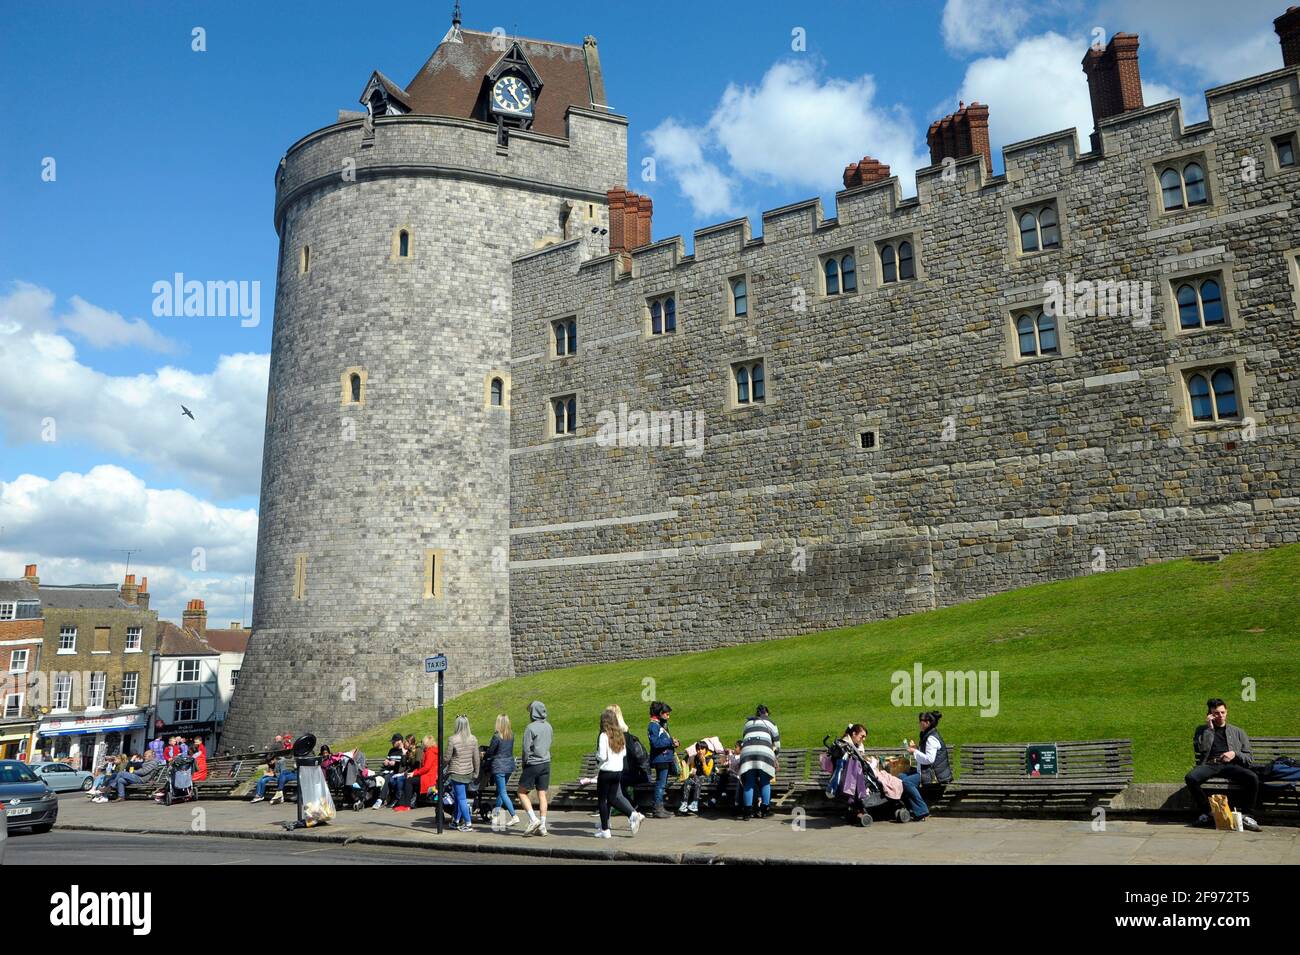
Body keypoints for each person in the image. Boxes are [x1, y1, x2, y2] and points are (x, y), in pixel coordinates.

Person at [1185, 698, 1261, 831]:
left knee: (1252, 778)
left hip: (1231, 765)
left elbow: (1249, 758)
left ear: (1226, 712)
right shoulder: (1202, 730)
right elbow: (1201, 749)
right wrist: (1209, 729)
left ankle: (1248, 815)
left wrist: (1234, 753)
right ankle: (1208, 813)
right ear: (1210, 714)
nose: (1220, 716)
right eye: (1216, 713)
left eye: (1222, 712)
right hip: (1211, 764)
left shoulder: (1238, 732)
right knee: (1191, 778)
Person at [595, 706, 644, 838]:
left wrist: (597, 757)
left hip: (606, 771)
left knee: (602, 800)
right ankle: (633, 814)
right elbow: (623, 753)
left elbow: (602, 756)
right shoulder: (619, 734)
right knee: (612, 798)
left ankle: (605, 830)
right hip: (617, 771)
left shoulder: (603, 735)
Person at [900, 711, 953, 823]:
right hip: (925, 770)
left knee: (907, 782)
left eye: (921, 721)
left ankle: (922, 811)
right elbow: (925, 755)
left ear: (927, 723)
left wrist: (914, 751)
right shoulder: (927, 735)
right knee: (901, 777)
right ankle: (910, 808)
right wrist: (916, 749)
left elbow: (929, 759)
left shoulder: (931, 739)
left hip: (934, 774)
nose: (919, 723)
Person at [738, 704, 780, 820]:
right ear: (767, 713)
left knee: (749, 782)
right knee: (765, 781)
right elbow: (777, 745)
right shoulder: (771, 723)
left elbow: (744, 739)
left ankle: (747, 813)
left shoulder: (747, 723)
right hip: (764, 754)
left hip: (747, 754)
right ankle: (764, 810)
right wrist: (775, 757)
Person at [518, 700, 553, 836]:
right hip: (546, 762)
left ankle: (533, 819)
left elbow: (526, 749)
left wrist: (524, 763)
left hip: (533, 763)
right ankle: (542, 826)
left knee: (521, 792)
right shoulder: (549, 726)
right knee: (542, 794)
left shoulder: (530, 728)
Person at [483, 714, 519, 827]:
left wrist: (484, 754)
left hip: (499, 766)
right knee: (501, 791)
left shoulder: (497, 736)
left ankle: (514, 815)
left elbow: (490, 752)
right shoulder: (511, 735)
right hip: (509, 765)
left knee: (502, 792)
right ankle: (496, 814)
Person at [446, 716, 480, 831]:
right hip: (468, 772)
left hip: (456, 771)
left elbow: (447, 758)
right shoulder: (473, 739)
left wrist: (441, 766)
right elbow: (476, 758)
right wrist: (476, 772)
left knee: (461, 799)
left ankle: (468, 823)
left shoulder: (452, 739)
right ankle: (456, 820)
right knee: (459, 797)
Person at [647, 701, 679, 818]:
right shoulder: (653, 726)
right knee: (660, 785)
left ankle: (660, 807)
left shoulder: (660, 724)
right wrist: (670, 741)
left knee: (662, 784)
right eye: (666, 714)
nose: (668, 716)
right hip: (660, 760)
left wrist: (673, 743)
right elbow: (655, 743)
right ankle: (657, 809)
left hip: (664, 759)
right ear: (660, 713)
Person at [95, 749, 163, 802]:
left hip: (141, 779)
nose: (144, 756)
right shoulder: (147, 762)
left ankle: (109, 787)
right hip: (138, 777)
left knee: (121, 773)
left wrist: (133, 772)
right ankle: (121, 796)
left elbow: (143, 772)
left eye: (145, 755)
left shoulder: (153, 763)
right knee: (120, 779)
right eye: (144, 755)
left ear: (151, 756)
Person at [395, 734, 439, 812]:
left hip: (429, 776)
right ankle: (404, 803)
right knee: (409, 779)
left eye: (424, 743)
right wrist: (413, 772)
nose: (423, 744)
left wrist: (414, 773)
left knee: (409, 780)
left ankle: (406, 804)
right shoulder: (431, 751)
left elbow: (426, 768)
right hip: (428, 775)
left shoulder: (430, 752)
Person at [679, 742, 715, 815]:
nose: (700, 751)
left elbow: (707, 773)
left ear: (706, 749)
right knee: (688, 781)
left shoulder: (709, 759)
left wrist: (704, 762)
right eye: (698, 749)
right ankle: (685, 803)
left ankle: (695, 803)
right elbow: (693, 768)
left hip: (708, 778)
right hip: (697, 777)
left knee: (698, 780)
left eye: (702, 749)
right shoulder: (696, 757)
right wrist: (692, 772)